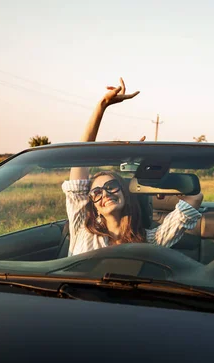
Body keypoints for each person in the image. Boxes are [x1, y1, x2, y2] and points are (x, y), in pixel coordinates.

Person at [62, 78, 203, 256]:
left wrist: (157, 183)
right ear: (94, 206)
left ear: (126, 194)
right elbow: (80, 156)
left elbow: (195, 198)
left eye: (111, 186)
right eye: (96, 192)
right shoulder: (82, 229)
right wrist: (102, 105)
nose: (104, 194)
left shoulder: (152, 240)